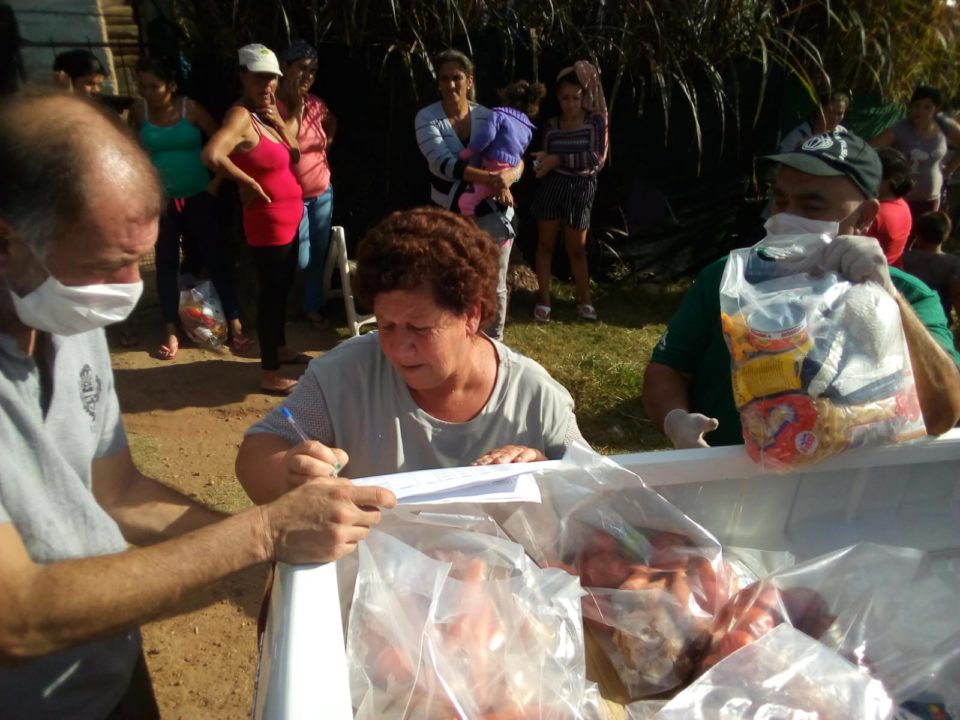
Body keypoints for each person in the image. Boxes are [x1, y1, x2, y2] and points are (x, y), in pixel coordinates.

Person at [0, 89, 395, 719]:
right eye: (109, 264)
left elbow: (118, 491)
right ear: (8, 243)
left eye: (138, 261)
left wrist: (274, 553)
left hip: (104, 672)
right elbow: (16, 617)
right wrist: (262, 533)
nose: (129, 289)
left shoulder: (63, 319)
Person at [235, 207, 584, 502]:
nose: (399, 348)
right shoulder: (344, 376)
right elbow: (257, 450)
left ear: (471, 315)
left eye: (420, 328)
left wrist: (545, 473)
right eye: (386, 325)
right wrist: (288, 474)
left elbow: (592, 492)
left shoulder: (535, 398)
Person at [643, 130, 960, 449]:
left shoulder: (909, 295)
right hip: (727, 470)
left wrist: (887, 297)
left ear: (865, 215)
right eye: (780, 201)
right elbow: (668, 368)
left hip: (854, 476)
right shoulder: (728, 278)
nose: (786, 218)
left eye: (811, 206)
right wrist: (676, 420)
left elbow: (943, 414)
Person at [203, 44, 309, 396]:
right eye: (260, 77)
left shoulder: (267, 113)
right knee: (272, 295)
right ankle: (270, 372)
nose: (267, 84)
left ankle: (280, 348)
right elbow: (212, 154)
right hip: (268, 221)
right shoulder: (240, 116)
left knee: (283, 288)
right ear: (243, 77)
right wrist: (246, 182)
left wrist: (280, 120)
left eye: (272, 78)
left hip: (290, 217)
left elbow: (294, 153)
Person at [129, 56, 251, 359]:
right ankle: (170, 328)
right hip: (162, 202)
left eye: (154, 86)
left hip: (199, 197)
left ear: (171, 86)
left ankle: (234, 321)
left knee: (215, 257)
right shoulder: (138, 111)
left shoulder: (191, 109)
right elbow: (133, 154)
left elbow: (225, 146)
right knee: (165, 263)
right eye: (142, 86)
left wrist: (215, 184)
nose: (147, 92)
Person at [414, 49, 522, 341]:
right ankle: (453, 340)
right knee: (451, 276)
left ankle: (493, 343)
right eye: (444, 78)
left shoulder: (489, 115)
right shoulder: (426, 118)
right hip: (448, 213)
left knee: (494, 280)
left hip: (493, 213)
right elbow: (444, 164)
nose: (451, 84)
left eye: (457, 78)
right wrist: (494, 179)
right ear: (438, 83)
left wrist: (510, 176)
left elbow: (515, 155)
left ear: (469, 80)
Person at [530, 61, 608, 323]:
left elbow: (596, 158)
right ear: (557, 99)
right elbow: (546, 156)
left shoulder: (595, 122)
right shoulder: (551, 126)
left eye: (576, 97)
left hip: (582, 187)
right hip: (552, 186)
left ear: (584, 97)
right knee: (545, 244)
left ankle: (585, 300)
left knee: (577, 248)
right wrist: (544, 161)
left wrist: (557, 160)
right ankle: (544, 299)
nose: (571, 103)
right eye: (565, 98)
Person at [277, 39, 338, 329]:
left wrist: (326, 149)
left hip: (322, 192)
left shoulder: (317, 103)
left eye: (312, 71)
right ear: (285, 67)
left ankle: (311, 306)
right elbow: (285, 143)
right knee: (300, 258)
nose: (307, 75)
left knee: (318, 254)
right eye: (302, 68)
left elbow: (332, 122)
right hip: (292, 197)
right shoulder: (273, 106)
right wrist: (297, 109)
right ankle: (286, 305)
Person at [871, 85, 960, 225]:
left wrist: (949, 170)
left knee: (924, 234)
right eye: (917, 106)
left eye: (927, 107)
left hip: (931, 199)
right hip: (901, 199)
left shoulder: (944, 126)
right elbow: (870, 149)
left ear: (936, 109)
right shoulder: (900, 129)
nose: (920, 111)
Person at [457, 79, 545, 216]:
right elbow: (519, 154)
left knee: (465, 202)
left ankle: (470, 229)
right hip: (508, 172)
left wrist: (468, 152)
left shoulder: (500, 115)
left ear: (507, 98)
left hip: (491, 169)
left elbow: (487, 135)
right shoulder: (528, 129)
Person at [903, 211, 960, 326]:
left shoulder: (905, 258)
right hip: (938, 319)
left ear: (918, 236)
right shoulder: (953, 263)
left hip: (907, 316)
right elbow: (956, 296)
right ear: (945, 236)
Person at [869, 146, 914, 267]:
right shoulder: (902, 205)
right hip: (892, 270)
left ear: (886, 181)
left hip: (871, 272)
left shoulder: (874, 213)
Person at [777, 89, 850, 152]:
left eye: (840, 113)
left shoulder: (843, 133)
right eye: (830, 112)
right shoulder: (797, 136)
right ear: (818, 111)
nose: (835, 118)